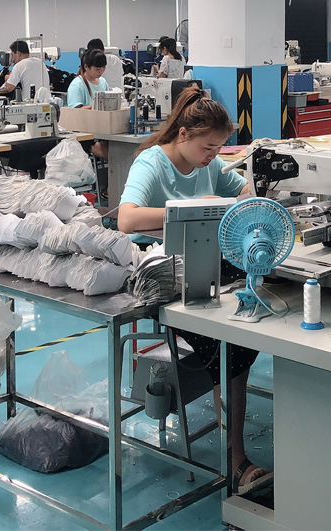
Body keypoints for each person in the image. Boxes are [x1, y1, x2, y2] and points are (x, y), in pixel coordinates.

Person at [116, 87, 269, 492]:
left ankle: (231, 432)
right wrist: (192, 210)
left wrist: (248, 192)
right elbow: (127, 220)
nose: (212, 156)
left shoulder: (209, 164)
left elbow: (244, 192)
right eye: (207, 147)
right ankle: (236, 462)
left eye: (218, 149)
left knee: (250, 326)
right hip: (164, 280)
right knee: (231, 346)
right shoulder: (152, 163)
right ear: (183, 134)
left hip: (206, 271)